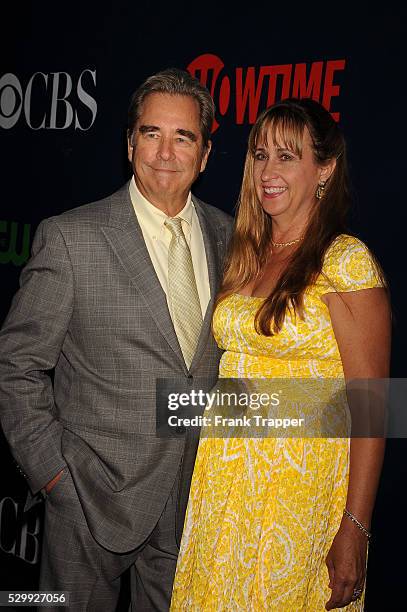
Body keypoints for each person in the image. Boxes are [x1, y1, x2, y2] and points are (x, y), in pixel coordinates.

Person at [0, 68, 232, 611]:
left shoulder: (231, 235)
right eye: (152, 133)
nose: (165, 152)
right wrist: (54, 474)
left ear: (205, 154)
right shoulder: (71, 236)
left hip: (191, 499)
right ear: (130, 144)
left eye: (184, 137)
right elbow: (16, 365)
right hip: (89, 496)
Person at [171, 98, 391, 611]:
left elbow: (374, 407)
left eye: (287, 157)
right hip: (223, 487)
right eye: (260, 154)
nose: (268, 171)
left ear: (325, 169)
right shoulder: (242, 253)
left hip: (297, 495)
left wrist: (355, 529)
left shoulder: (345, 262)